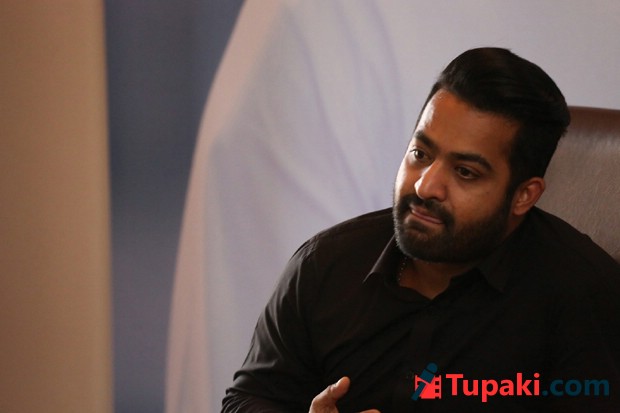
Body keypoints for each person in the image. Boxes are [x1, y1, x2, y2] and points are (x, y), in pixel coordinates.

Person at [221, 48, 620, 412]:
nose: (426, 186)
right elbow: (248, 399)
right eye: (421, 153)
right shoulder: (325, 264)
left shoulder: (583, 296)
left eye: (465, 172)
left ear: (523, 196)